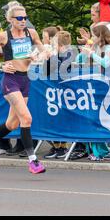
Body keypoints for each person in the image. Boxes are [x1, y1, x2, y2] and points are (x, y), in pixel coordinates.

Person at [0, 5, 46, 174]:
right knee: (26, 118)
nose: (23, 21)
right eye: (19, 18)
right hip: (10, 81)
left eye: (25, 17)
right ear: (10, 20)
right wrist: (0, 66)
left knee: (12, 123)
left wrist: (37, 56)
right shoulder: (3, 36)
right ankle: (33, 161)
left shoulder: (31, 33)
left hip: (25, 80)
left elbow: (45, 51)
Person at [42, 31, 75, 159]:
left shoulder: (69, 54)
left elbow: (63, 70)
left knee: (61, 119)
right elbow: (45, 72)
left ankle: (63, 147)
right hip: (54, 92)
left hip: (65, 92)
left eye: (54, 42)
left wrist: (52, 58)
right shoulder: (57, 55)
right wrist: (48, 59)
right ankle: (57, 146)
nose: (52, 44)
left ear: (59, 44)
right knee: (53, 119)